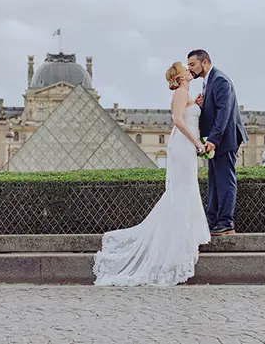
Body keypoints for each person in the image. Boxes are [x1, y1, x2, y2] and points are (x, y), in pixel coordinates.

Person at [92, 62, 211, 286]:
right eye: (185, 68)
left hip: (186, 145)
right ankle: (179, 242)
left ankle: (183, 239)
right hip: (184, 144)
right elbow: (177, 120)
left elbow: (185, 114)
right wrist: (196, 143)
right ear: (180, 76)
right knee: (182, 190)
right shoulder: (180, 93)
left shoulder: (185, 94)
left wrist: (193, 105)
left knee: (185, 188)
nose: (189, 70)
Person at [188, 49, 248, 236]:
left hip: (225, 139)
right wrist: (200, 105)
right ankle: (213, 220)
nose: (189, 68)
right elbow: (214, 110)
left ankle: (226, 223)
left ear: (204, 62)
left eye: (192, 64)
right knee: (214, 181)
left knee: (224, 181)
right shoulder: (210, 81)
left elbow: (224, 112)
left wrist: (213, 140)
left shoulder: (220, 80)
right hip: (217, 140)